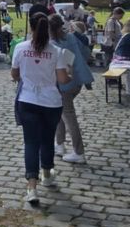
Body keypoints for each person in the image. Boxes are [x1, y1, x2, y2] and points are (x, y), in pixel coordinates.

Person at [12, 14, 71, 206]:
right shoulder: (56, 51)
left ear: (30, 28)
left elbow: (14, 74)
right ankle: (46, 172)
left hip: (27, 99)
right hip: (50, 101)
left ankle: (31, 187)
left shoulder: (20, 48)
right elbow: (62, 79)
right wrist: (69, 74)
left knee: (31, 143)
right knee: (47, 139)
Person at [49, 15, 91, 164]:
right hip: (78, 80)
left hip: (63, 84)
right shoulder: (72, 37)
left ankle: (79, 152)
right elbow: (86, 53)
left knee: (68, 117)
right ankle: (59, 144)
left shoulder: (52, 44)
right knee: (59, 113)